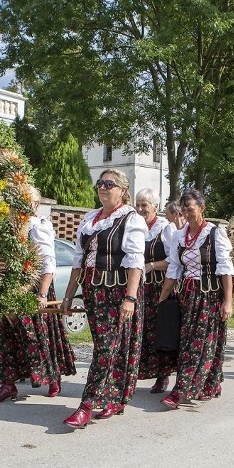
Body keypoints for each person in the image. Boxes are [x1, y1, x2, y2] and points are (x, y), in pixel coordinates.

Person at [60, 169, 148, 427]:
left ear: (122, 190)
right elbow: (78, 260)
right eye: (100, 183)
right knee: (106, 345)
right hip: (93, 291)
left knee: (109, 346)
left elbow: (135, 261)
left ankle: (86, 404)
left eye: (109, 184)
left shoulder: (130, 219)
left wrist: (130, 298)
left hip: (118, 290)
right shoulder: (90, 219)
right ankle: (112, 397)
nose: (103, 187)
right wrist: (68, 297)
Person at [0, 186, 76, 403]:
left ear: (34, 204)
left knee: (37, 335)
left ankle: (52, 376)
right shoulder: (7, 227)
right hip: (9, 288)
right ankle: (8, 384)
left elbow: (48, 263)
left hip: (33, 287)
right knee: (7, 335)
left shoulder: (38, 227)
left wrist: (43, 293)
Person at [158, 189, 234, 407]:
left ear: (202, 208)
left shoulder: (214, 233)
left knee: (202, 342)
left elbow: (225, 269)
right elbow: (174, 268)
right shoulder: (180, 236)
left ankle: (182, 390)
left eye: (190, 209)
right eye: (183, 209)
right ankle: (211, 383)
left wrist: (227, 301)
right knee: (189, 342)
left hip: (210, 296)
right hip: (188, 296)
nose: (186, 213)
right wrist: (163, 297)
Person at [134, 188, 177, 393]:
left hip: (159, 286)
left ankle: (163, 375)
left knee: (160, 331)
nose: (141, 209)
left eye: (145, 205)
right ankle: (133, 373)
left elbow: (174, 260)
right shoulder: (134, 226)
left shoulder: (165, 228)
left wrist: (151, 266)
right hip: (139, 286)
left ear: (155, 207)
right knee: (139, 330)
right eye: (138, 204)